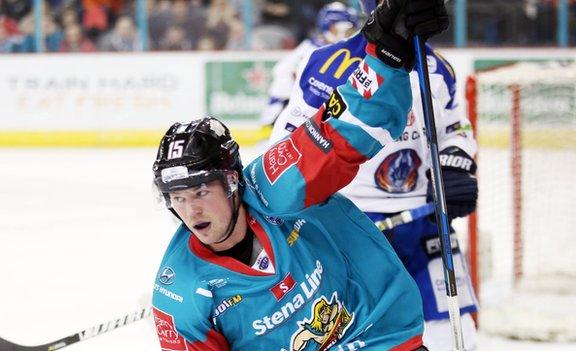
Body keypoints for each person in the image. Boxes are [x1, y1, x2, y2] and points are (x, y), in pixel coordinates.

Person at [150, 0, 450, 350]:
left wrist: (388, 56)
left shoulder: (279, 184)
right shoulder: (179, 293)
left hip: (378, 338)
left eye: (200, 192)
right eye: (178, 197)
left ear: (232, 181)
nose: (190, 211)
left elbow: (343, 129)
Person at [268, 1, 479, 349]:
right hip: (350, 222)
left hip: (423, 218)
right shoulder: (327, 62)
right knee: (359, 332)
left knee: (457, 335)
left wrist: (454, 165)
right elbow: (290, 140)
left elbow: (456, 129)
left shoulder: (439, 69)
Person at [258, 2, 359, 131]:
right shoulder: (312, 48)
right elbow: (282, 71)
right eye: (340, 29)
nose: (346, 34)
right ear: (327, 26)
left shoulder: (342, 52)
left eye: (350, 30)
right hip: (294, 113)